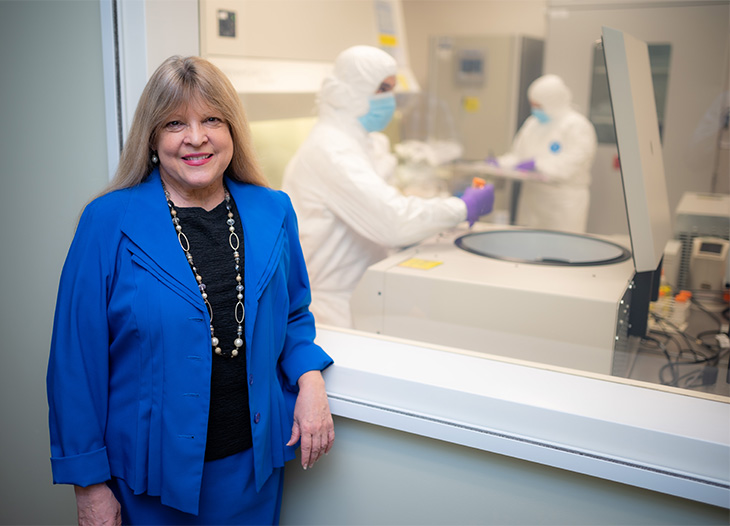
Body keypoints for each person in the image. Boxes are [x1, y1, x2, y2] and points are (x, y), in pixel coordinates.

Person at [46, 56, 335, 525]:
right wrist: (90, 485)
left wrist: (310, 378)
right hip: (149, 483)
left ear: (232, 130)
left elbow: (294, 316)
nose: (196, 137)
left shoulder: (273, 210)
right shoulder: (108, 222)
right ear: (152, 138)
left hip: (252, 474)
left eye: (212, 120)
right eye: (175, 122)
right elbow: (75, 363)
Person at [282, 45, 495, 328]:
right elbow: (393, 222)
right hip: (332, 310)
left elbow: (384, 204)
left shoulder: (360, 141)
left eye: (392, 88)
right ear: (351, 90)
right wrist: (462, 207)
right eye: (382, 88)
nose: (390, 99)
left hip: (363, 291)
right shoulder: (331, 149)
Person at [492, 74, 597, 233]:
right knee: (528, 248)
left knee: (562, 249)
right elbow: (518, 156)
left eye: (539, 106)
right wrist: (500, 163)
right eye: (533, 105)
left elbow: (570, 166)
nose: (536, 110)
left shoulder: (577, 126)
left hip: (563, 202)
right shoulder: (533, 124)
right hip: (533, 200)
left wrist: (537, 164)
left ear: (553, 102)